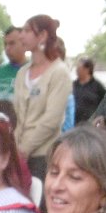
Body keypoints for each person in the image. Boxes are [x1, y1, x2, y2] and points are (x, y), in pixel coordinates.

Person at [13, 14, 71, 180]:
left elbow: (51, 120)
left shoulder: (59, 72)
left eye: (27, 30)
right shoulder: (22, 73)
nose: (21, 35)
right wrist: (15, 148)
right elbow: (16, 114)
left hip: (42, 157)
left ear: (43, 36)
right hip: (17, 154)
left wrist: (24, 150)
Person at [0, 26, 26, 99]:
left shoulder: (34, 72)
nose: (7, 48)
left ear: (24, 44)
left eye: (12, 43)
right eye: (5, 44)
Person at [73, 58, 106, 124]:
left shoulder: (97, 86)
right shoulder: (73, 85)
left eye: (79, 68)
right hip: (73, 126)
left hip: (90, 126)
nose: (76, 70)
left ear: (87, 69)